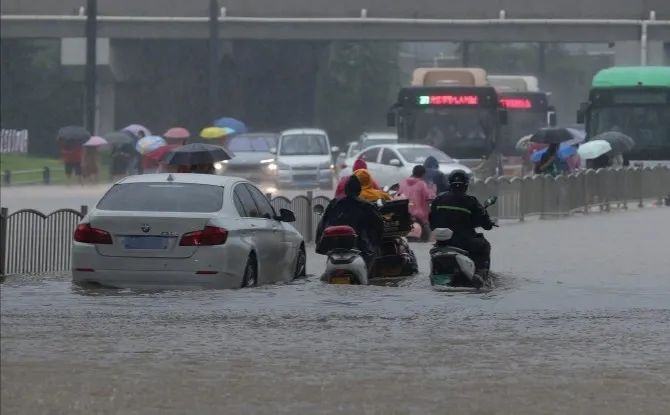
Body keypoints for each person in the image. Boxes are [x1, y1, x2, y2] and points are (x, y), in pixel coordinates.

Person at [429, 170, 495, 275]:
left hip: (442, 244)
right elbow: (486, 225)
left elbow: (431, 222)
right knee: (484, 245)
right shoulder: (471, 201)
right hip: (464, 242)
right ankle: (481, 274)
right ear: (466, 185)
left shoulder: (439, 199)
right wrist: (488, 222)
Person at [316, 175, 385, 271]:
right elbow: (379, 225)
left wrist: (320, 245)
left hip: (334, 247)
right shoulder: (367, 206)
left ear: (346, 189)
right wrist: (375, 244)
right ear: (359, 190)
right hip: (361, 247)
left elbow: (322, 224)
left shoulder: (334, 204)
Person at [397, 165, 435, 241]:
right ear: (423, 174)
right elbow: (429, 198)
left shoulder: (403, 182)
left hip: (403, 213)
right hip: (418, 216)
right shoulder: (422, 184)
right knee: (428, 233)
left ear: (413, 172)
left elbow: (398, 195)